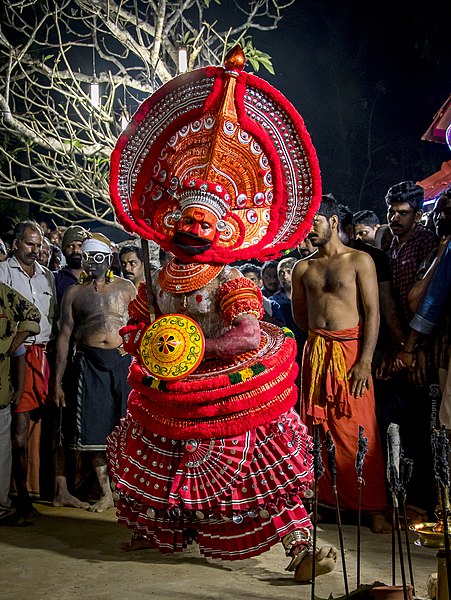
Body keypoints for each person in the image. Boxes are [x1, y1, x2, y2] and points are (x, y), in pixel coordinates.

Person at [107, 45, 337, 582]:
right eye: (186, 220)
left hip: (227, 389)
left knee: (258, 466)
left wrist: (192, 349)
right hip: (171, 386)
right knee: (155, 453)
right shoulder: (157, 277)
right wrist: (146, 341)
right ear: (171, 219)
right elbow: (135, 325)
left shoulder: (231, 279)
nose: (193, 230)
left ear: (227, 230)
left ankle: (299, 547)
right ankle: (155, 529)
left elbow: (247, 334)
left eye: (206, 225)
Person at [292, 195, 389, 533]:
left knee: (360, 429)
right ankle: (321, 502)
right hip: (318, 353)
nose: (309, 231)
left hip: (352, 353)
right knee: (317, 429)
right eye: (305, 226)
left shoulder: (360, 261)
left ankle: (373, 507)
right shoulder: (302, 267)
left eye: (314, 223)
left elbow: (373, 313)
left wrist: (364, 360)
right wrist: (320, 346)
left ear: (333, 222)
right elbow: (302, 319)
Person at [51, 233, 136, 512]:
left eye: (99, 257)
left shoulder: (126, 288)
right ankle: (106, 492)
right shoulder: (74, 293)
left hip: (122, 362)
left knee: (126, 427)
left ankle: (128, 490)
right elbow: (64, 335)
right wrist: (58, 381)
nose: (94, 264)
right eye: (89, 258)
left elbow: (141, 326)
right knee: (93, 429)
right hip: (88, 363)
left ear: (108, 258)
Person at [0, 220, 57, 523]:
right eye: (28, 244)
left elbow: (52, 319)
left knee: (37, 429)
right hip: (16, 356)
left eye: (38, 245)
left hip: (43, 357)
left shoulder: (47, 277)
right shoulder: (4, 273)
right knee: (17, 430)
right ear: (15, 243)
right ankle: (19, 496)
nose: (34, 250)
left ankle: (31, 492)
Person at [0, 283, 41, 524]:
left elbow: (32, 314)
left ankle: (2, 508)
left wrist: (12, 343)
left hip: (2, 390)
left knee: (3, 453)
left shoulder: (5, 294)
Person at [53, 225, 88, 306]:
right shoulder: (55, 278)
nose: (76, 250)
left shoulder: (95, 277)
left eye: (80, 245)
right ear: (64, 250)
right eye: (70, 246)